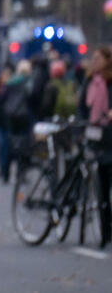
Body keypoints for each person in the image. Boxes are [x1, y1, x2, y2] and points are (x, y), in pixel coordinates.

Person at [84, 47, 112, 249]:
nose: (94, 61)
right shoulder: (90, 80)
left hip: (109, 134)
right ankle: (105, 230)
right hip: (95, 134)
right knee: (101, 186)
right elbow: (83, 104)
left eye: (97, 58)